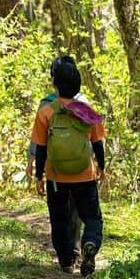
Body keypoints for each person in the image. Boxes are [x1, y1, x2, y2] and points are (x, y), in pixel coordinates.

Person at [30, 57, 105, 277]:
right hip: (85, 176)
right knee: (92, 217)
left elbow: (41, 148)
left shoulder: (46, 111)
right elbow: (97, 143)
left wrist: (39, 176)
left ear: (55, 84)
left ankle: (66, 261)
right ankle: (89, 242)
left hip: (56, 177)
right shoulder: (87, 110)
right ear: (78, 86)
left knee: (59, 219)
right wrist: (101, 167)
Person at [27, 56, 86, 257]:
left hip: (55, 167)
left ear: (54, 79)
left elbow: (39, 139)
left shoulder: (47, 104)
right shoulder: (83, 103)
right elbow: (94, 137)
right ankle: (76, 245)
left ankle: (65, 250)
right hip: (81, 166)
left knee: (59, 209)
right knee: (76, 206)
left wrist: (32, 164)